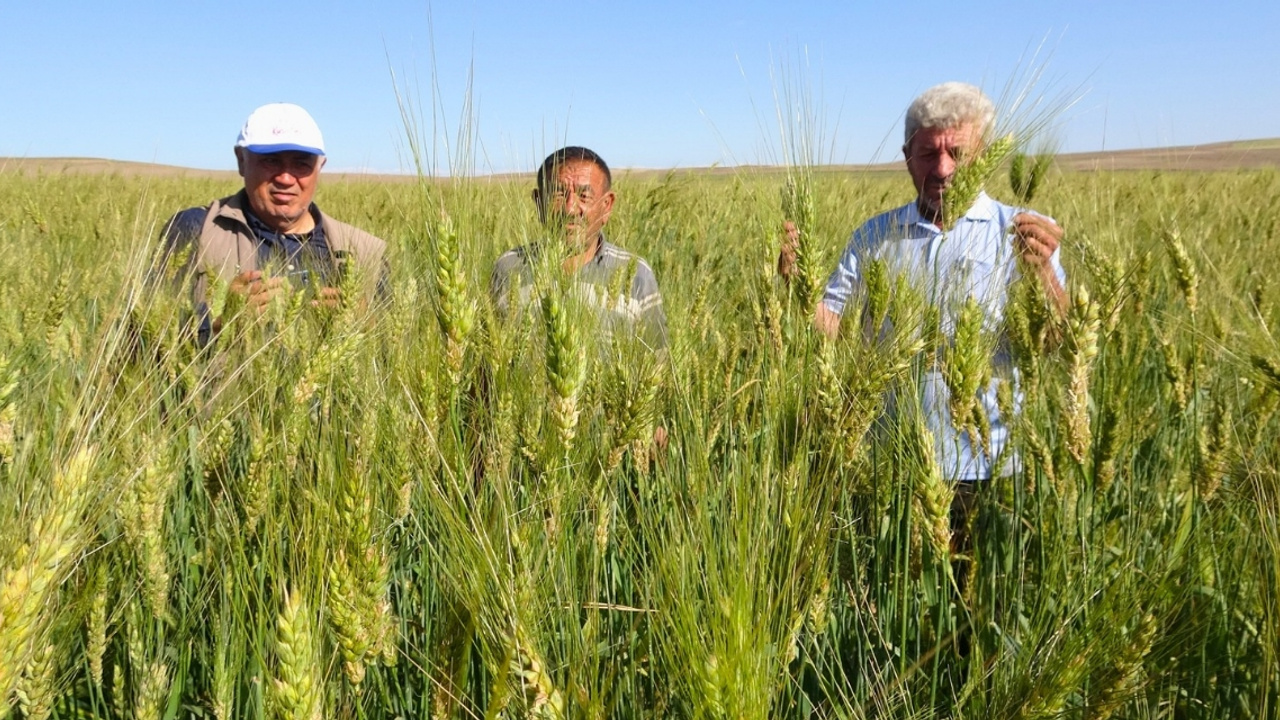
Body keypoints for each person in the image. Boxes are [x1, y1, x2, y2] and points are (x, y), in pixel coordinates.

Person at [780, 81, 1067, 484]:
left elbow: (1058, 342)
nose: (944, 169)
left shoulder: (1022, 232)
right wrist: (799, 286)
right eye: (928, 153)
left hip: (990, 467)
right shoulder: (874, 236)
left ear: (984, 156)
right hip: (890, 462)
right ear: (907, 158)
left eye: (958, 153)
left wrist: (1043, 275)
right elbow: (834, 330)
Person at [162, 103, 388, 345]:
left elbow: (396, 356)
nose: (286, 178)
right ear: (241, 160)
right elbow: (139, 342)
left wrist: (368, 324)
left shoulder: (366, 252)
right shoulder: (196, 229)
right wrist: (222, 325)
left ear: (320, 166)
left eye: (302, 164)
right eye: (271, 161)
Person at [490, 146, 667, 350]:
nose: (570, 209)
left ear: (606, 206)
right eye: (558, 195)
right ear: (539, 203)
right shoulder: (509, 268)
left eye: (585, 196)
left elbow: (656, 365)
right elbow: (487, 368)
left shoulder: (636, 274)